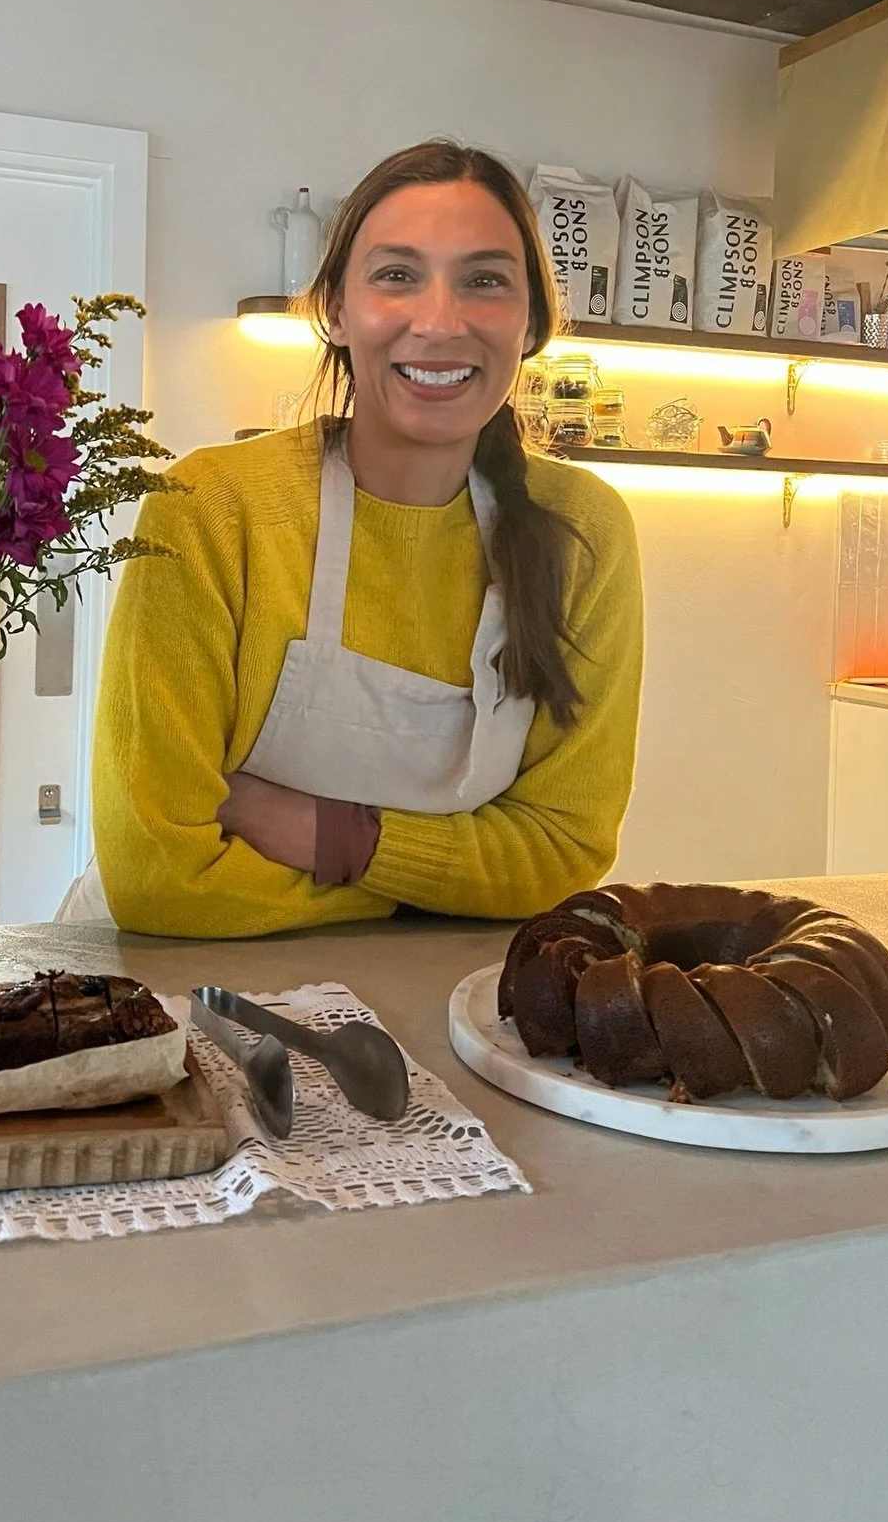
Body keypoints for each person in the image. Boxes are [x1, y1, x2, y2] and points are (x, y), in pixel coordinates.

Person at [67, 141, 643, 936]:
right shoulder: (214, 508)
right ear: (335, 311)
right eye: (397, 275)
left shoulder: (584, 531)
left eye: (484, 281)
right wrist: (447, 884)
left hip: (430, 997)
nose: (439, 321)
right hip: (181, 976)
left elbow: (562, 849)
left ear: (532, 322)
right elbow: (157, 872)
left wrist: (324, 833)